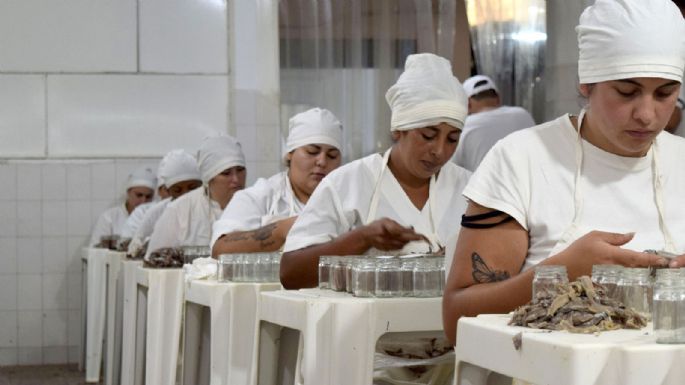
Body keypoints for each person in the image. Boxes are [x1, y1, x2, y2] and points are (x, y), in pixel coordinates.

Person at [443, 0, 685, 345]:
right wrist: (562, 273)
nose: (647, 114)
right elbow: (456, 319)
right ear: (586, 84)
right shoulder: (521, 159)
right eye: (626, 92)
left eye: (665, 93)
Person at [280, 53, 472, 290]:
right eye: (428, 136)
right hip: (366, 327)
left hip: (449, 326)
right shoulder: (347, 183)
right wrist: (361, 239)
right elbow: (290, 273)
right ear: (398, 130)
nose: (440, 151)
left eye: (452, 139)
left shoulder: (471, 189)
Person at [211, 108, 343, 255]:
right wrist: (281, 230)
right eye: (312, 152)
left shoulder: (347, 202)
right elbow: (220, 249)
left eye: (332, 155)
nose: (322, 162)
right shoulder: (260, 197)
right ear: (289, 155)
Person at [145, 134, 246, 258]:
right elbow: (154, 263)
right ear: (209, 178)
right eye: (226, 173)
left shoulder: (257, 204)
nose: (236, 179)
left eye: (240, 170)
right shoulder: (179, 211)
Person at [126, 149, 202, 257]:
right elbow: (135, 249)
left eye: (193, 188)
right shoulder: (157, 212)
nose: (186, 195)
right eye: (178, 190)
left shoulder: (210, 208)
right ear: (167, 190)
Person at [452, 75, 535, 171]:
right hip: (528, 184)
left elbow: (451, 169)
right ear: (498, 98)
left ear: (468, 103)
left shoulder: (464, 126)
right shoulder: (523, 115)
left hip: (483, 185)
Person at [89, 166, 156, 247]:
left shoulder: (156, 218)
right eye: (139, 195)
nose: (143, 201)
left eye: (148, 196)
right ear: (128, 192)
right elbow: (95, 251)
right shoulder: (109, 218)